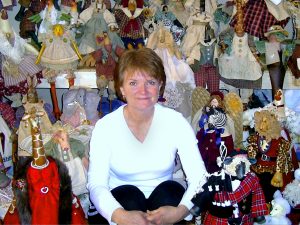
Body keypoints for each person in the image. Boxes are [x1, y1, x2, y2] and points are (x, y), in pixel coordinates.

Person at [87, 48, 207, 225]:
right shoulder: (106, 127)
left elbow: (199, 177)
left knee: (172, 191)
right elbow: (97, 185)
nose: (142, 91)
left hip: (164, 203)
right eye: (133, 83)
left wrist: (179, 212)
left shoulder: (175, 122)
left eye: (150, 82)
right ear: (121, 88)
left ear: (160, 86)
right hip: (122, 203)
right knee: (129, 197)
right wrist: (121, 216)